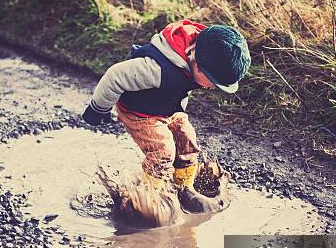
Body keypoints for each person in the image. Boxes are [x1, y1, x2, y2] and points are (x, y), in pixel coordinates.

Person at [82, 19, 250, 214]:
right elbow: (115, 76)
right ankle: (148, 200)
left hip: (167, 108)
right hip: (139, 112)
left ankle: (184, 189)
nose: (212, 87)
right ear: (196, 63)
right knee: (163, 151)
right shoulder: (156, 68)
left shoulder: (200, 56)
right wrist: (98, 109)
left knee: (187, 141)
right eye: (213, 82)